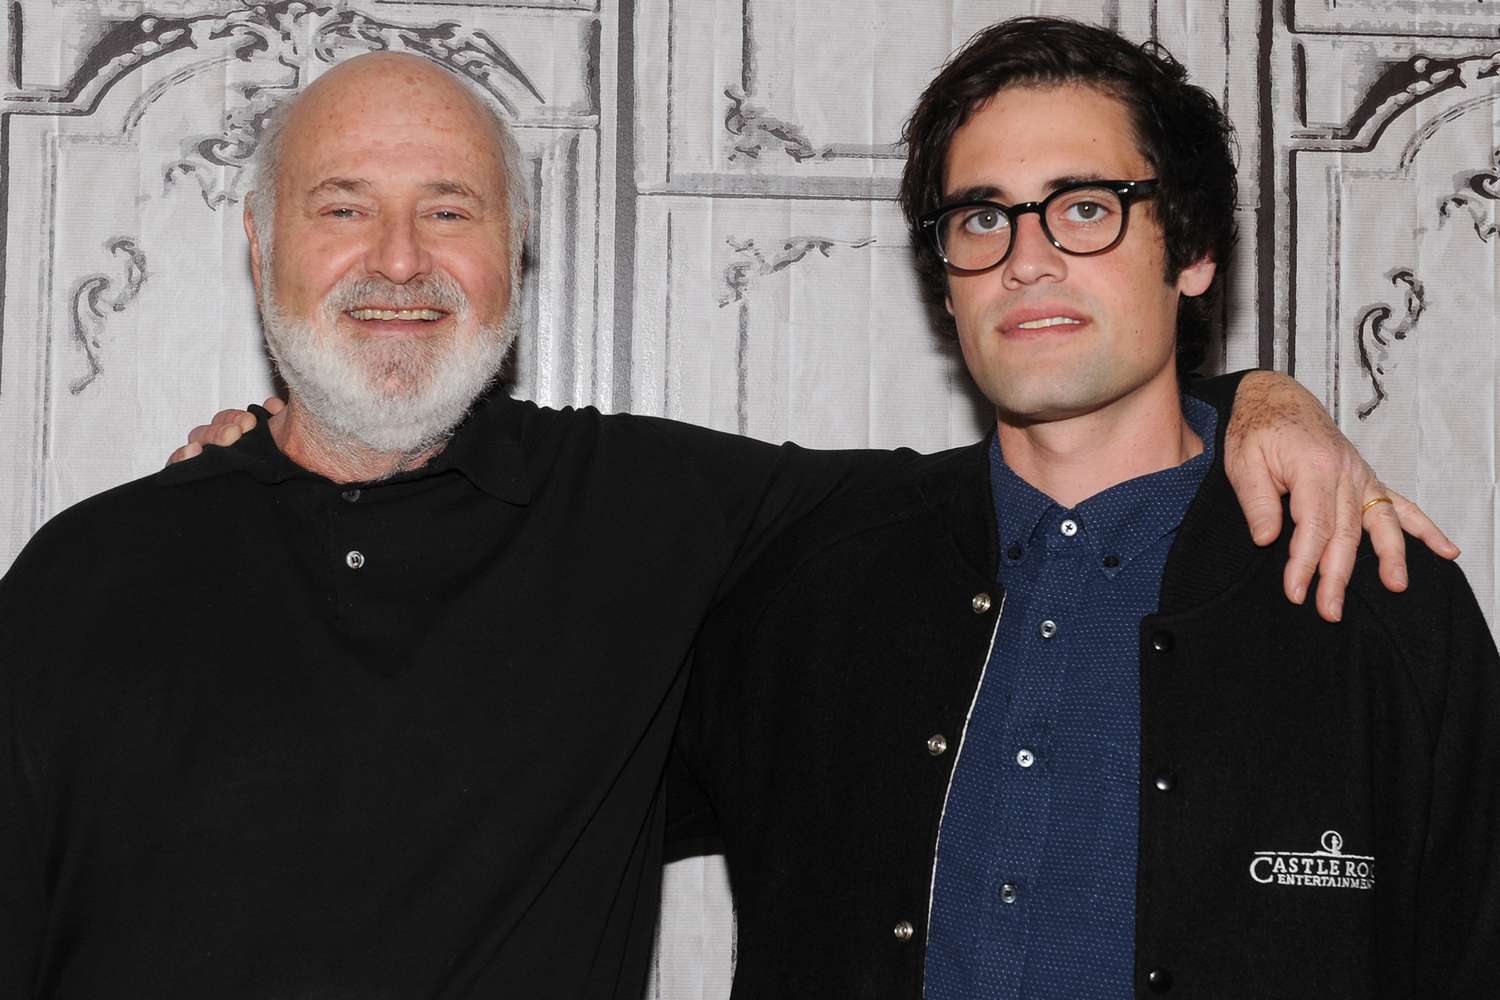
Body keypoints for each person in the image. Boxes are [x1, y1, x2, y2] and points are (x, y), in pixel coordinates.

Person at [0, 46, 1451, 1000]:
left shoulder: (663, 518)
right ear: (259, 242)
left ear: (517, 251)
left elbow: (1076, 435)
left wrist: (1262, 398)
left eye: (449, 209)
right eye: (340, 208)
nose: (399, 260)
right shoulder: (87, 577)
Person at [670, 17, 1498, 999]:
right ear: (946, 282)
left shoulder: (1375, 598)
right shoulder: (812, 587)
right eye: (982, 218)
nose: (1026, 259)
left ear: (1193, 250)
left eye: (1086, 207)